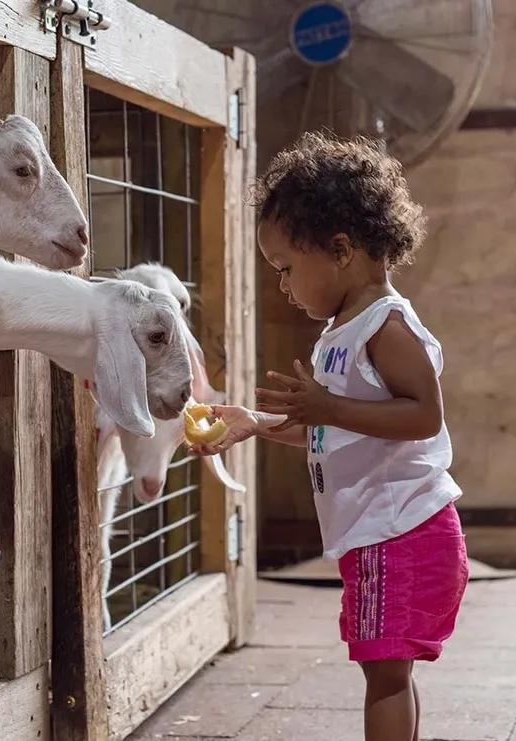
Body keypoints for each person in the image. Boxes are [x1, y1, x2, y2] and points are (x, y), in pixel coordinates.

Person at [189, 131, 468, 741]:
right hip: (379, 532)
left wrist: (329, 407)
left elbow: (424, 416)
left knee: (384, 677)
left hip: (404, 530)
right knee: (387, 674)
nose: (284, 287)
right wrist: (255, 424)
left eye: (287, 269)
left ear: (340, 249)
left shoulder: (385, 326)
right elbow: (330, 432)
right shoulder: (341, 333)